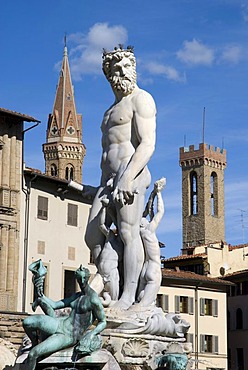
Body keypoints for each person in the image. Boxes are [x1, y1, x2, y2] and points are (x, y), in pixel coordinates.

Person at [85, 45, 156, 310]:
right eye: (115, 68)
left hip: (132, 174)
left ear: (134, 69)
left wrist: (127, 178)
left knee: (128, 233)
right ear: (108, 74)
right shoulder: (109, 111)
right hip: (107, 181)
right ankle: (108, 292)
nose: (122, 72)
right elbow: (107, 152)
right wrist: (98, 187)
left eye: (126, 66)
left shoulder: (142, 99)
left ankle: (128, 296)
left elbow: (147, 144)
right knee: (93, 237)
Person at [23, 265, 106, 370]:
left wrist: (91, 334)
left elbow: (103, 321)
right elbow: (54, 305)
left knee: (33, 354)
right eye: (79, 279)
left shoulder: (93, 299)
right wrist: (41, 295)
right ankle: (34, 343)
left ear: (88, 278)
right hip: (59, 323)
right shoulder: (76, 296)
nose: (81, 281)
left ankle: (34, 350)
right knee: (27, 322)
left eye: (83, 278)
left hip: (69, 335)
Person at [136, 178, 165, 307]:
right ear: (145, 223)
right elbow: (160, 212)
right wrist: (158, 193)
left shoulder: (140, 232)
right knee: (146, 305)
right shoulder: (150, 230)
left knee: (140, 299)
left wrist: (152, 195)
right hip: (153, 267)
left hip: (144, 270)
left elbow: (149, 211)